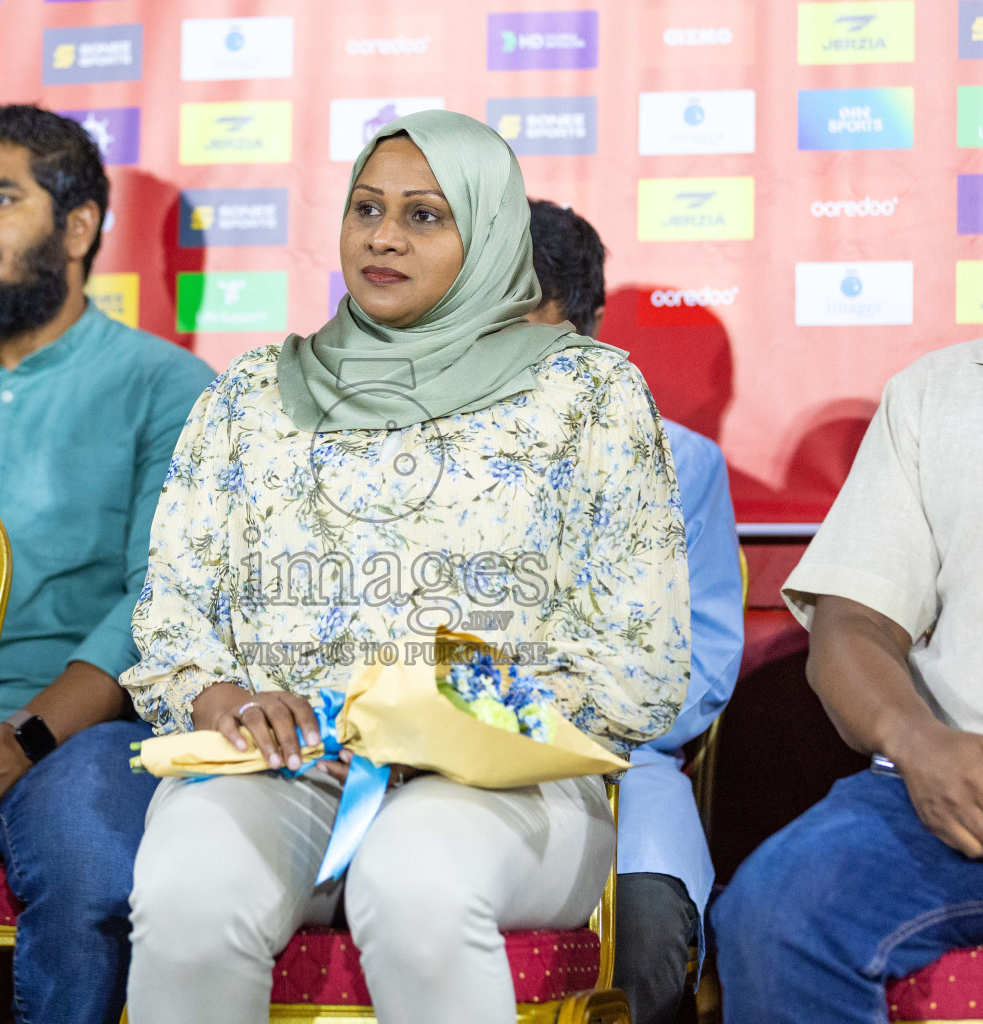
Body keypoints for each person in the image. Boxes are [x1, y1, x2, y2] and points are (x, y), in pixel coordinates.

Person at [121, 110, 691, 1024]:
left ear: (491, 231)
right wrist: (220, 696)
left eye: (426, 215)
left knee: (416, 879)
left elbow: (642, 662)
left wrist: (455, 719)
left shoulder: (587, 393)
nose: (385, 236)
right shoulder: (253, 394)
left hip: (513, 783)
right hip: (292, 766)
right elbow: (175, 614)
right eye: (366, 208)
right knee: (189, 883)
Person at [713, 60, 983, 1022]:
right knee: (774, 913)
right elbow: (851, 629)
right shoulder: (941, 395)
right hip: (963, 794)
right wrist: (922, 746)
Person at [0, 105, 216, 1024]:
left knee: (89, 872)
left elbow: (157, 597)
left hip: (73, 735)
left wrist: (19, 742)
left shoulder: (166, 389)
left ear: (78, 228)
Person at [526, 199, 744, 1024]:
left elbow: (703, 666)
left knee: (648, 936)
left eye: (530, 325)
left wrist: (567, 721)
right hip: (438, 762)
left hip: (622, 766)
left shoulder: (681, 463)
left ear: (588, 323)